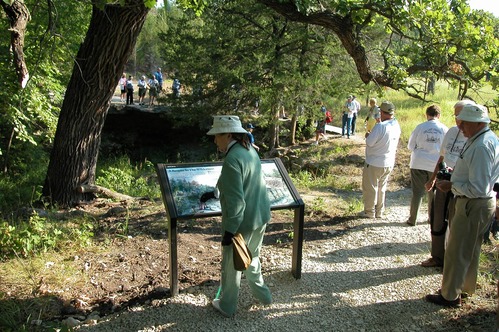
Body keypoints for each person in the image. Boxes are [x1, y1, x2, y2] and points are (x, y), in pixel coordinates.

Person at [426, 103, 499, 307]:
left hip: (472, 205)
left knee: (457, 250)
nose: (460, 128)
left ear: (476, 123)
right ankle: (464, 287)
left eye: (463, 123)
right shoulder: (485, 139)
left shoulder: (482, 146)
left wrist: (452, 185)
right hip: (478, 204)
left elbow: (478, 187)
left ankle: (449, 295)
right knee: (469, 249)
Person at [200, 115, 272, 317]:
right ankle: (264, 296)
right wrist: (215, 193)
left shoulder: (232, 159)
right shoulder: (248, 149)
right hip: (260, 216)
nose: (215, 140)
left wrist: (230, 231)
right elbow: (241, 181)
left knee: (231, 266)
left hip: (243, 223)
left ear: (228, 134)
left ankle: (227, 305)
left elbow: (237, 203)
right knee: (252, 257)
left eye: (217, 136)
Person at [421, 100, 470, 268]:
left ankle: (451, 262)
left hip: (462, 186)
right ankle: (437, 256)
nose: (457, 119)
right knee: (437, 218)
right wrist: (433, 178)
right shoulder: (451, 132)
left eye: (460, 115)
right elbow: (442, 156)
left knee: (455, 223)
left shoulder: (474, 137)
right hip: (444, 181)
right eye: (455, 115)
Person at [406, 104, 448, 226]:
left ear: (427, 115)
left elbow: (410, 146)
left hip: (418, 162)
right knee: (433, 192)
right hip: (435, 164)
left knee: (417, 192)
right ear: (439, 115)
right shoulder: (444, 129)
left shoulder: (420, 127)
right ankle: (432, 218)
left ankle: (412, 219)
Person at [359, 101, 401, 218]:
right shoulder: (396, 124)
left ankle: (369, 211)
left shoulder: (380, 127)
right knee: (382, 188)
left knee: (370, 188)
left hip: (374, 161)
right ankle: (379, 211)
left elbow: (370, 142)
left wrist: (368, 135)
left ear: (382, 112)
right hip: (388, 161)